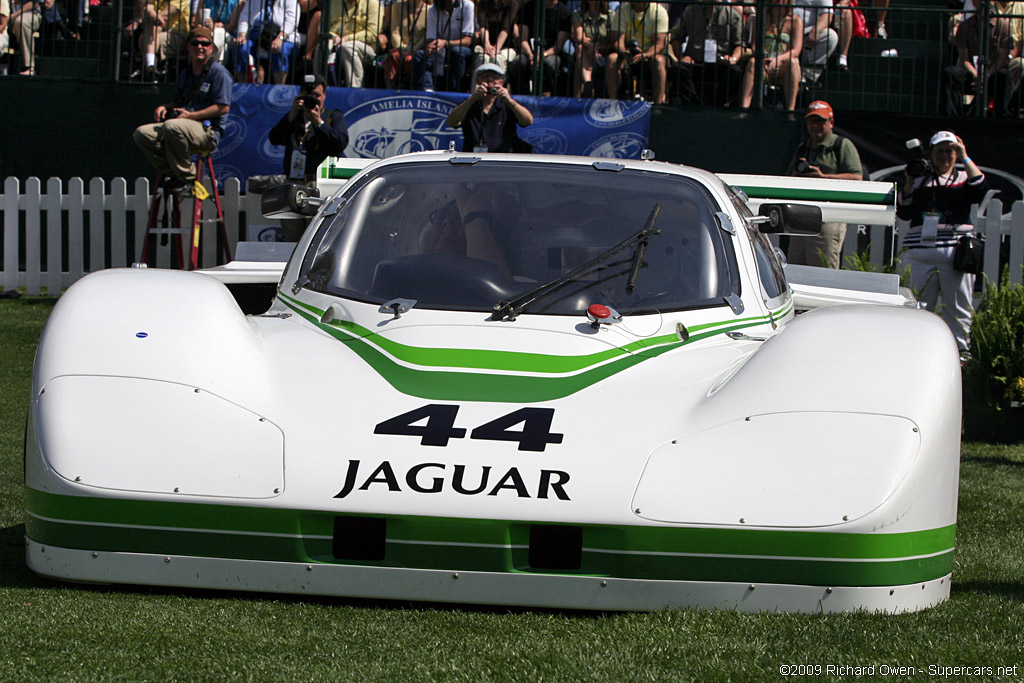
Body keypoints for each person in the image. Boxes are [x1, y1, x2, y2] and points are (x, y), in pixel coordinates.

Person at [896, 131, 988, 354]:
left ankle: (961, 352)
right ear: (931, 153)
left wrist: (965, 156)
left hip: (955, 253)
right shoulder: (920, 179)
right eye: (940, 151)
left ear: (957, 153)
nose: (945, 156)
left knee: (959, 305)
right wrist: (909, 182)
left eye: (950, 151)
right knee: (917, 305)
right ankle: (915, 349)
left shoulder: (964, 178)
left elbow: (980, 188)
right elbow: (905, 212)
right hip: (919, 252)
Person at [133, 26, 233, 197]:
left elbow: (223, 107)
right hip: (181, 126)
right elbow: (178, 102)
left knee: (172, 126)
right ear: (188, 46)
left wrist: (191, 116)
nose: (199, 47)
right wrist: (165, 107)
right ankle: (174, 173)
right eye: (195, 43)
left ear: (211, 48)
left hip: (207, 131)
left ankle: (189, 177)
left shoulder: (218, 73)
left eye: (204, 43)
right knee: (142, 134)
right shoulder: (186, 73)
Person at [265, 74, 349, 240]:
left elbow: (339, 143)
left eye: (317, 95)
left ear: (324, 95)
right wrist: (293, 113)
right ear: (300, 95)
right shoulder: (294, 118)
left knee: (316, 239)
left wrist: (318, 123)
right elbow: (274, 138)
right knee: (292, 238)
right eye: (308, 95)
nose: (313, 99)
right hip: (293, 183)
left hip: (317, 185)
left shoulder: (332, 117)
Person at [787, 100, 863, 268]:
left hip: (828, 217)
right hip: (800, 216)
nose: (815, 126)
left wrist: (823, 177)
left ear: (831, 122)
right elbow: (789, 178)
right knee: (795, 270)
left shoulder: (841, 145)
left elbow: (857, 178)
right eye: (811, 121)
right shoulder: (803, 148)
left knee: (822, 272)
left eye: (820, 121)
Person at [944, 2, 1015, 117]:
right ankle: (953, 117)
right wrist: (976, 75)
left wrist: (986, 74)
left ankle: (1001, 118)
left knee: (1005, 77)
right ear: (973, 3)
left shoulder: (1003, 26)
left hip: (993, 73)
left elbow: (1002, 58)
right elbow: (964, 58)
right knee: (951, 73)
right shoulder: (965, 26)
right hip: (971, 73)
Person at [669, 0, 744, 106]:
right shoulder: (690, 11)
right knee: (679, 68)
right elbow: (675, 37)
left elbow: (740, 45)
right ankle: (694, 104)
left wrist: (733, 58)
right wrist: (682, 57)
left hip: (720, 63)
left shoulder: (731, 14)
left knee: (735, 71)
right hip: (695, 62)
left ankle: (717, 105)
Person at [447, 62, 533, 152]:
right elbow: (452, 122)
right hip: (473, 159)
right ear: (478, 80)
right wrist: (473, 99)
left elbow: (527, 121)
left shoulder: (508, 104)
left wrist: (509, 100)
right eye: (486, 76)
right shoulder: (469, 104)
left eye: (495, 77)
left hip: (501, 159)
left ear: (501, 82)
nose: (490, 80)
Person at [739, 0, 802, 110]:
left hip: (783, 65)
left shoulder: (796, 21)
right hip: (763, 62)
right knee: (753, 63)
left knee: (793, 63)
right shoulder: (760, 18)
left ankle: (790, 110)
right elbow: (755, 46)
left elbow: (796, 50)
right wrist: (765, 59)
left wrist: (778, 59)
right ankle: (744, 108)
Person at [605, 0, 669, 103]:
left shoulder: (659, 12)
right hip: (628, 55)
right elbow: (617, 41)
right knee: (612, 58)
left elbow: (659, 44)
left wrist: (646, 54)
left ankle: (658, 105)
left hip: (650, 55)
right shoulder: (623, 11)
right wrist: (625, 52)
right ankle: (613, 102)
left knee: (659, 61)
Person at [509, 0, 572, 96]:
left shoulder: (565, 13)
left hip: (551, 53)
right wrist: (531, 55)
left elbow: (558, 46)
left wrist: (542, 55)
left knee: (551, 64)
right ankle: (521, 97)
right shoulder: (528, 8)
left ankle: (552, 97)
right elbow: (523, 39)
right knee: (518, 62)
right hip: (528, 51)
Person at [413, 0, 474, 91]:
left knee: (457, 51)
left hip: (461, 48)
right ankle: (427, 90)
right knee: (420, 55)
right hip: (440, 47)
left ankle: (454, 91)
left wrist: (446, 43)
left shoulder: (467, 5)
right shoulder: (433, 10)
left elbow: (467, 41)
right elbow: (430, 38)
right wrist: (431, 47)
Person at [233, 0, 299, 83]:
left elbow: (291, 21)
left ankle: (279, 87)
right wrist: (242, 35)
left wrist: (280, 38)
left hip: (283, 38)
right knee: (241, 47)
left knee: (281, 50)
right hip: (256, 39)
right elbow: (244, 18)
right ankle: (243, 86)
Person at [125, 0, 192, 82]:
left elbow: (164, 16)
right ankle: (151, 68)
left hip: (176, 34)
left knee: (147, 34)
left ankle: (148, 68)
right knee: (149, 30)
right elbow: (147, 7)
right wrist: (148, 13)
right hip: (154, 30)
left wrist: (150, 14)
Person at [328, 0, 382, 88]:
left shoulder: (372, 4)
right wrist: (334, 37)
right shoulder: (333, 2)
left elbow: (373, 33)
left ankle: (354, 90)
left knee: (348, 47)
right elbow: (322, 28)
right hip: (337, 41)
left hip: (365, 46)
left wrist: (348, 38)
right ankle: (319, 88)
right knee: (323, 46)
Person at [383, 0, 428, 88]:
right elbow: (394, 31)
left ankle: (411, 89)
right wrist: (401, 47)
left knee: (410, 59)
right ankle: (390, 90)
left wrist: (412, 50)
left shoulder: (429, 11)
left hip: (418, 48)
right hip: (400, 47)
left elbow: (425, 36)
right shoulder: (397, 7)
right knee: (393, 55)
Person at [571, 0, 610, 97]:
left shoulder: (610, 16)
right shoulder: (579, 15)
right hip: (586, 51)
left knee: (578, 65)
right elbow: (580, 37)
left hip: (604, 52)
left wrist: (597, 48)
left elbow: (613, 42)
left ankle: (579, 96)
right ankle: (588, 83)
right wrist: (592, 48)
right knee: (580, 49)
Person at [473, 0, 521, 75]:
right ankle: (478, 86)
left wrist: (496, 49)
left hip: (506, 47)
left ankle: (499, 85)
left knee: (497, 59)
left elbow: (506, 28)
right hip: (486, 45)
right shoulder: (482, 4)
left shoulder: (512, 3)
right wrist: (487, 45)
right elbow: (483, 27)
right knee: (483, 59)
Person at [793, 0, 836, 81]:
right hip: (784, 30)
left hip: (806, 32)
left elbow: (827, 15)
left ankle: (805, 75)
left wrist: (816, 30)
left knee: (831, 36)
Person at [9, 0, 40, 75]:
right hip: (7, 16)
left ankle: (29, 67)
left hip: (29, 14)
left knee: (21, 22)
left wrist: (14, 15)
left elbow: (34, 3)